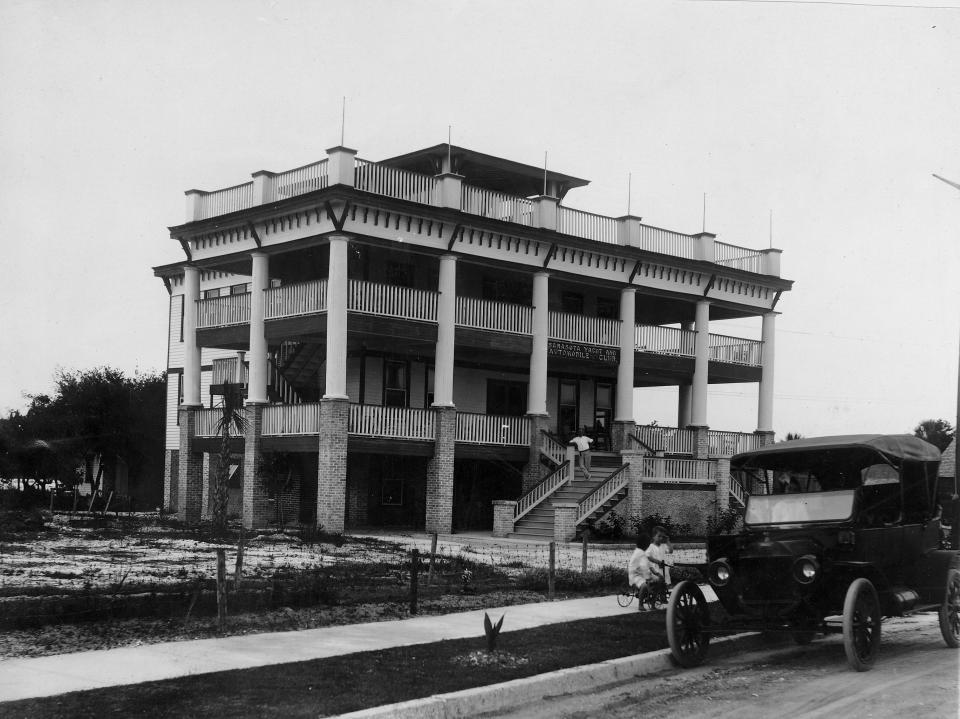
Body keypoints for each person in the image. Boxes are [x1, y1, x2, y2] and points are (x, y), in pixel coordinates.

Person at [627, 533, 662, 610]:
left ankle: (653, 603)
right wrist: (649, 578)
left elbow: (649, 565)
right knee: (645, 586)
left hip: (642, 574)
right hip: (635, 575)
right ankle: (640, 604)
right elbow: (644, 567)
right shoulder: (639, 553)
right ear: (645, 545)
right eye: (648, 544)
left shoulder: (643, 553)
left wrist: (656, 573)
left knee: (658, 581)